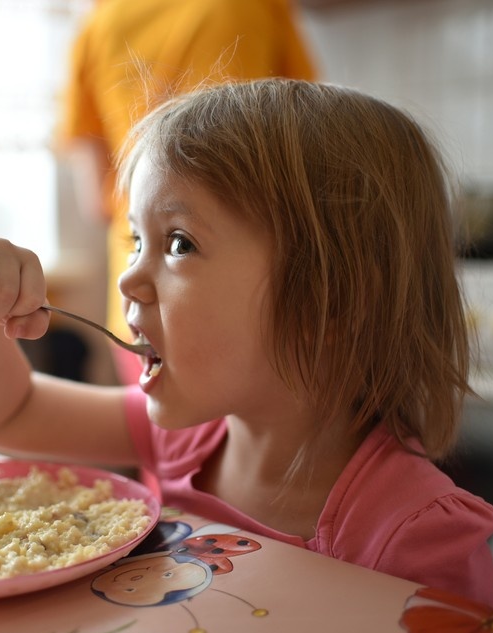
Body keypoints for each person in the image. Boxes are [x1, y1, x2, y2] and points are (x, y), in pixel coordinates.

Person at [0, 78, 493, 607]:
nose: (128, 278)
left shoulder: (415, 538)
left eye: (179, 243)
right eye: (137, 239)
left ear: (327, 302)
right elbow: (9, 411)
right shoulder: (183, 438)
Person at [57, 0, 317, 384]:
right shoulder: (260, 5)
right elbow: (311, 136)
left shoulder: (98, 23)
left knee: (158, 441)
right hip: (250, 289)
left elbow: (97, 199)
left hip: (133, 286)